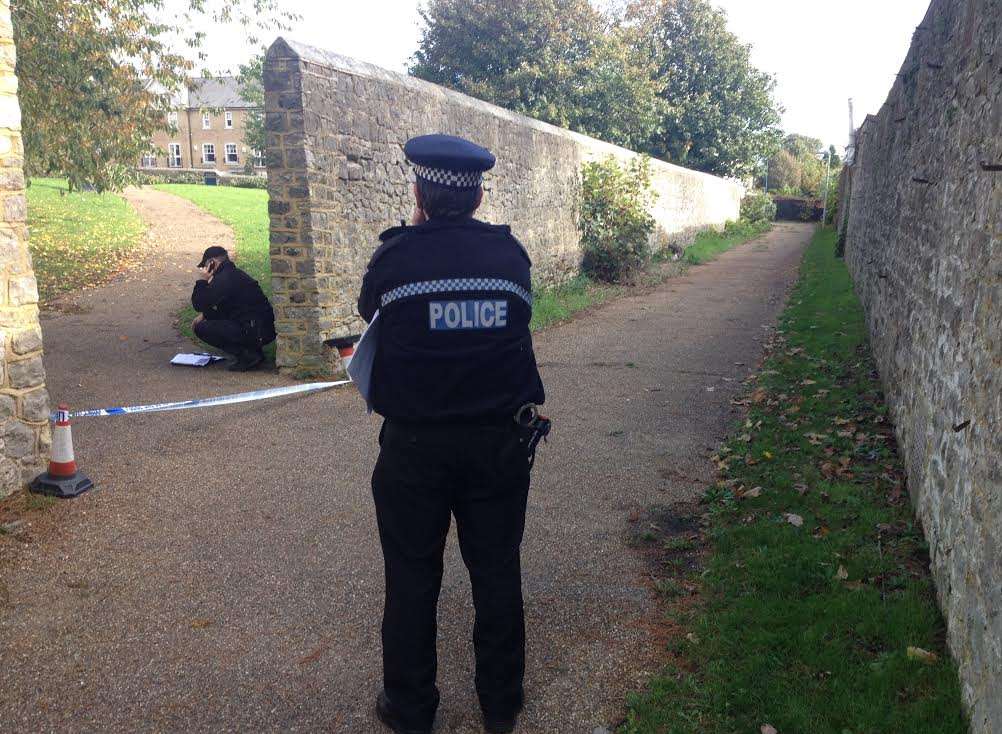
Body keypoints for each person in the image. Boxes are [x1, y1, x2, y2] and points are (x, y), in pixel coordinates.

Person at [357, 134, 548, 734]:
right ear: (478, 195)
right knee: (496, 573)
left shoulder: (395, 258)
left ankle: (410, 710)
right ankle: (500, 704)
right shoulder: (510, 257)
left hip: (415, 449)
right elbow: (516, 319)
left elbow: (370, 313)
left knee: (411, 578)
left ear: (418, 191)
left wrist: (418, 234)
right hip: (498, 445)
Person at [190, 246, 276, 371]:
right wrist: (205, 315)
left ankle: (248, 355)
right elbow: (226, 307)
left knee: (201, 328)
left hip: (255, 330)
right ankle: (252, 351)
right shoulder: (232, 274)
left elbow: (199, 304)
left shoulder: (223, 279)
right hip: (262, 328)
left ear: (212, 263)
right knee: (207, 319)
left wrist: (202, 281)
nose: (204, 269)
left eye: (206, 265)